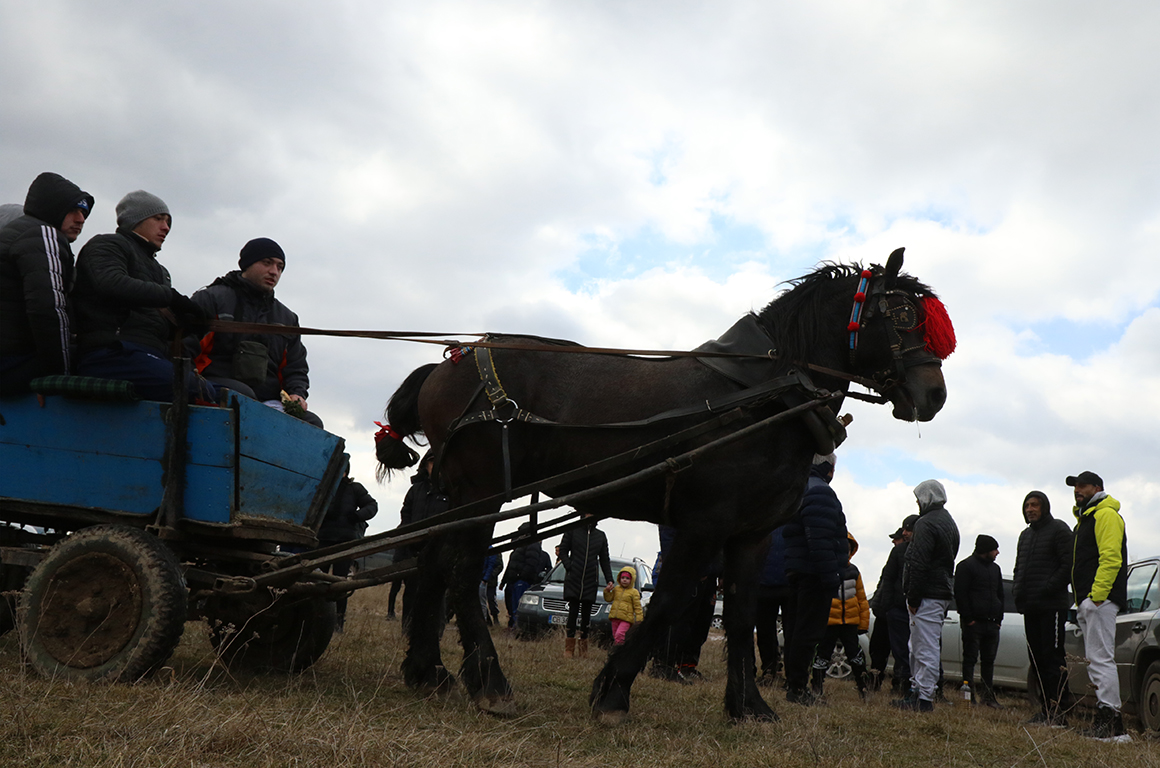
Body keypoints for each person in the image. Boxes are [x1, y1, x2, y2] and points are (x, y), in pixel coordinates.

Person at [73, 190, 212, 402]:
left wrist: (185, 328)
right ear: (134, 220)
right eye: (158, 219)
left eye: (168, 222)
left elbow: (150, 323)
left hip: (147, 355)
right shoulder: (108, 244)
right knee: (192, 389)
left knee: (223, 394)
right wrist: (172, 298)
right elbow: (110, 283)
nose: (166, 227)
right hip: (111, 352)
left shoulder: (159, 270)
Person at [189, 237, 322, 427]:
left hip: (268, 400)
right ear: (247, 264)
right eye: (267, 263)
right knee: (244, 396)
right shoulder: (212, 299)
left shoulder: (287, 318)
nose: (274, 272)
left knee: (312, 423)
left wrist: (296, 393)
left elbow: (295, 367)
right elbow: (187, 348)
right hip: (213, 386)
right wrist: (191, 385)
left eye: (280, 267)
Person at [0, 173, 94, 395]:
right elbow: (48, 309)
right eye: (73, 210)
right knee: (100, 363)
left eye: (84, 213)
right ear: (52, 209)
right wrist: (56, 378)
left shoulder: (15, 234)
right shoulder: (43, 233)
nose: (81, 219)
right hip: (11, 362)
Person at [1068, 471, 1130, 741]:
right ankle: (1108, 724)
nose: (1077, 490)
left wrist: (1096, 596)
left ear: (1097, 487)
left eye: (1082, 485)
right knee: (1096, 659)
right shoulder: (1086, 519)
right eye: (1074, 486)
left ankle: (1112, 726)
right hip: (1090, 599)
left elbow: (1111, 558)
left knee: (1101, 659)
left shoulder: (1105, 515)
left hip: (1099, 600)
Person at [781, 453, 848, 706]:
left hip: (799, 570)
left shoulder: (799, 488)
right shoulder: (821, 492)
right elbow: (819, 539)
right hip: (815, 573)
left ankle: (794, 684)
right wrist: (831, 576)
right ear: (829, 468)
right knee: (808, 633)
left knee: (797, 631)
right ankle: (798, 688)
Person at [893, 479, 959, 713]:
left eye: (919, 498)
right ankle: (918, 691)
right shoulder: (948, 522)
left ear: (927, 497)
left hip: (927, 594)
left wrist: (913, 597)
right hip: (939, 592)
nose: (918, 503)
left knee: (924, 646)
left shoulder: (926, 523)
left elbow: (919, 562)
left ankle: (923, 698)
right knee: (921, 645)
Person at [1013, 490, 1073, 726]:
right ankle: (1045, 709)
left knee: (1052, 658)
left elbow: (1068, 565)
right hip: (1030, 607)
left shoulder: (1059, 529)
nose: (1030, 509)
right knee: (1036, 659)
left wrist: (1048, 587)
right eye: (1027, 505)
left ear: (1044, 507)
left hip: (1052, 606)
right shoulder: (1024, 536)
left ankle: (1059, 712)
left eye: (1035, 505)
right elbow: (1019, 567)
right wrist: (1017, 592)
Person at [316, 461, 378, 632]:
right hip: (323, 540)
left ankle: (338, 623)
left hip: (344, 542)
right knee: (316, 581)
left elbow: (372, 506)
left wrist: (357, 516)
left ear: (345, 472)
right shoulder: (324, 487)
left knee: (341, 583)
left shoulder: (354, 488)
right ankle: (315, 620)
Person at [811, 533, 870, 699]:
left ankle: (862, 686)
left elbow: (862, 598)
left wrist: (863, 624)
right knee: (822, 654)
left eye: (848, 547)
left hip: (850, 622)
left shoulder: (854, 571)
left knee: (855, 655)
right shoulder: (824, 570)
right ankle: (817, 685)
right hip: (829, 622)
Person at [398, 455, 449, 630]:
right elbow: (406, 513)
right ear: (425, 464)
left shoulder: (450, 490)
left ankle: (436, 632)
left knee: (436, 593)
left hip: (439, 550)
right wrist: (407, 538)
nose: (435, 466)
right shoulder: (416, 489)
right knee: (411, 592)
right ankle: (408, 630)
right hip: (413, 549)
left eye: (439, 461)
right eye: (432, 461)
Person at [954, 534, 1004, 708]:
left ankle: (988, 698)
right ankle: (968, 698)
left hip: (992, 623)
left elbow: (1000, 594)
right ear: (985, 550)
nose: (997, 552)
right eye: (994, 549)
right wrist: (968, 619)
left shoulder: (995, 569)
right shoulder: (965, 567)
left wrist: (999, 619)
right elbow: (960, 594)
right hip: (974, 623)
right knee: (970, 660)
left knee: (989, 661)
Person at [868, 517, 915, 693]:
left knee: (899, 651)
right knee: (879, 651)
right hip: (884, 611)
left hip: (892, 610)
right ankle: (874, 682)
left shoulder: (902, 555)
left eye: (897, 538)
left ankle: (898, 684)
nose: (894, 541)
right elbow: (885, 583)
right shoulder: (895, 555)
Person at [558, 515, 614, 658]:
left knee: (586, 615)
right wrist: (569, 566)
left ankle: (583, 649)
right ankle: (569, 648)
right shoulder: (572, 531)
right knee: (573, 612)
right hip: (574, 578)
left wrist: (609, 579)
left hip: (590, 580)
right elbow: (563, 550)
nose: (589, 515)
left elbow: (604, 559)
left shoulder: (600, 536)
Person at [755, 526, 792, 686]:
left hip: (791, 583)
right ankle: (770, 669)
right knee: (764, 631)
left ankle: (792, 674)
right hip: (764, 583)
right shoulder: (767, 515)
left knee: (792, 632)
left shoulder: (795, 513)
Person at [500, 521, 551, 628]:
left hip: (521, 581)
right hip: (515, 580)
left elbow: (531, 563)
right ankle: (515, 626)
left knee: (519, 606)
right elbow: (511, 565)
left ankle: (519, 628)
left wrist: (521, 576)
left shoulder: (531, 544)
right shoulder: (522, 544)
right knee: (514, 606)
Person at [604, 565, 644, 646]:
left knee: (620, 635)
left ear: (632, 580)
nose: (624, 580)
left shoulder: (634, 592)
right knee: (615, 635)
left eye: (627, 578)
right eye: (623, 578)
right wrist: (607, 591)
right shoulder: (616, 589)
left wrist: (639, 619)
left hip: (626, 619)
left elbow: (637, 607)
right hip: (615, 618)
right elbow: (608, 599)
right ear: (619, 578)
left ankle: (619, 650)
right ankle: (618, 651)